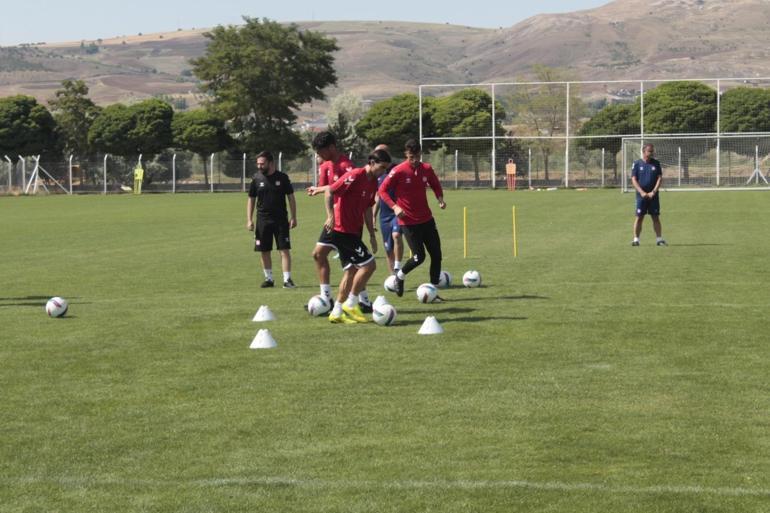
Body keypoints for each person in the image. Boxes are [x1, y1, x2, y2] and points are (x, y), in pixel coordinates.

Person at [306, 149, 392, 323]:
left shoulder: (373, 182)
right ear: (372, 163)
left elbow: (368, 208)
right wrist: (330, 216)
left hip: (352, 230)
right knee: (369, 266)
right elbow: (330, 190)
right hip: (341, 229)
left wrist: (372, 233)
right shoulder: (356, 175)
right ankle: (351, 303)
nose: (383, 172)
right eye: (382, 167)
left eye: (386, 169)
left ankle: (337, 312)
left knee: (352, 269)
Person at [309, 131, 372, 311]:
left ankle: (363, 301)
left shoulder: (347, 166)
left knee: (352, 266)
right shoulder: (326, 165)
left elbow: (346, 192)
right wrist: (317, 190)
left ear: (331, 147)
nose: (318, 156)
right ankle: (326, 298)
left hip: (347, 222)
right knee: (318, 254)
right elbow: (328, 189)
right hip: (333, 222)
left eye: (321, 151)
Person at [378, 139, 446, 299]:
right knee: (419, 257)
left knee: (436, 254)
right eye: (411, 157)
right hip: (408, 222)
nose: (414, 161)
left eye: (417, 157)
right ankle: (399, 276)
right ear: (405, 155)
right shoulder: (399, 171)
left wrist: (440, 199)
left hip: (427, 219)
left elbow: (435, 184)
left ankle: (433, 289)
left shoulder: (427, 169)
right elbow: (382, 190)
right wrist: (394, 207)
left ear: (420, 154)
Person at [246, 151, 298, 288]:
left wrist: (294, 217)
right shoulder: (256, 179)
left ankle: (287, 279)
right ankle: (268, 279)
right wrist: (249, 219)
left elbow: (291, 198)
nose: (259, 166)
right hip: (262, 220)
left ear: (271, 163)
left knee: (284, 249)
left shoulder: (283, 177)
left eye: (262, 163)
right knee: (264, 250)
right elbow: (251, 200)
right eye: (258, 163)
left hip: (281, 220)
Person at [372, 144, 403, 275]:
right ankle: (393, 277)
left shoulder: (397, 169)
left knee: (396, 235)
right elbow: (377, 196)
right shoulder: (376, 172)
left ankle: (398, 267)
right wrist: (373, 215)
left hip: (397, 211)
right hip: (384, 216)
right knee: (388, 248)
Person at [631, 143, 667, 247]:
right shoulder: (637, 164)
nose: (651, 153)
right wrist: (641, 192)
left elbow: (659, 178)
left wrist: (653, 192)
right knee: (639, 217)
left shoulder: (656, 163)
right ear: (644, 152)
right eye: (649, 151)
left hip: (653, 196)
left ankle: (659, 239)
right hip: (640, 196)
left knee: (655, 217)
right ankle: (636, 240)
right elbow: (634, 179)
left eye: (652, 151)